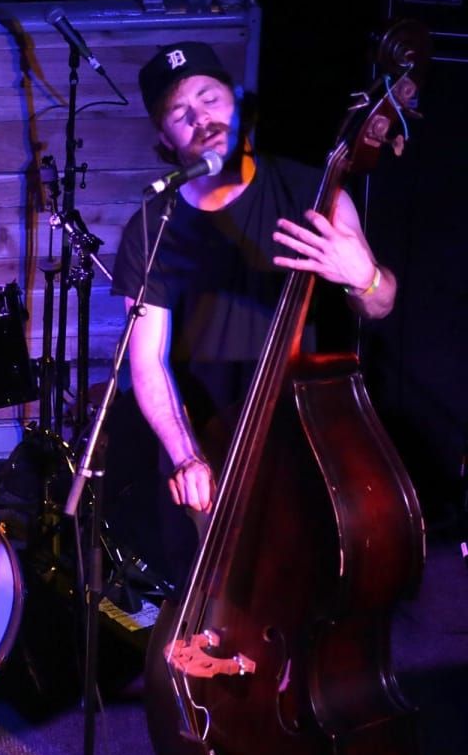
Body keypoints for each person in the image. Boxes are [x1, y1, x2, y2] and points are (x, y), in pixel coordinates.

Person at [110, 42, 395, 584]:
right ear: (166, 144)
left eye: (209, 98)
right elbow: (146, 362)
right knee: (196, 587)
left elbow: (381, 305)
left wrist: (365, 277)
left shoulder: (315, 191)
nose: (201, 119)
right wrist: (185, 453)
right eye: (180, 114)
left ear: (238, 104)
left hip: (303, 426)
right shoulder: (152, 227)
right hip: (204, 431)